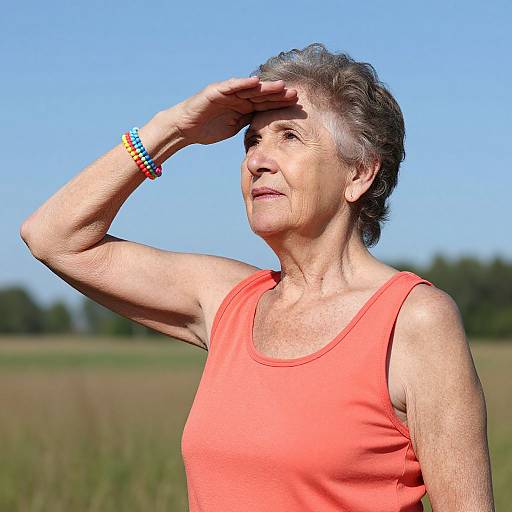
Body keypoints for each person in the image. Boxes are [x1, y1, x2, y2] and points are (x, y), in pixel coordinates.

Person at [20, 43, 494, 511]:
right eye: (252, 141)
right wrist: (174, 129)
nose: (256, 161)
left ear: (359, 173)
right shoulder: (228, 300)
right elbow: (53, 237)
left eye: (288, 137)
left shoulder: (414, 321)